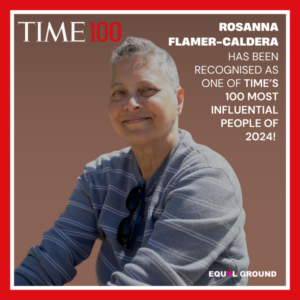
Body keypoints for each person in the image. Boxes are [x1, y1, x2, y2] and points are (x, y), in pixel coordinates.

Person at [14, 36, 250, 286]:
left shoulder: (209, 180)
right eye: (120, 92)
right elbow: (48, 262)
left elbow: (147, 284)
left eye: (147, 89)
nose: (131, 104)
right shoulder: (100, 176)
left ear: (179, 100)